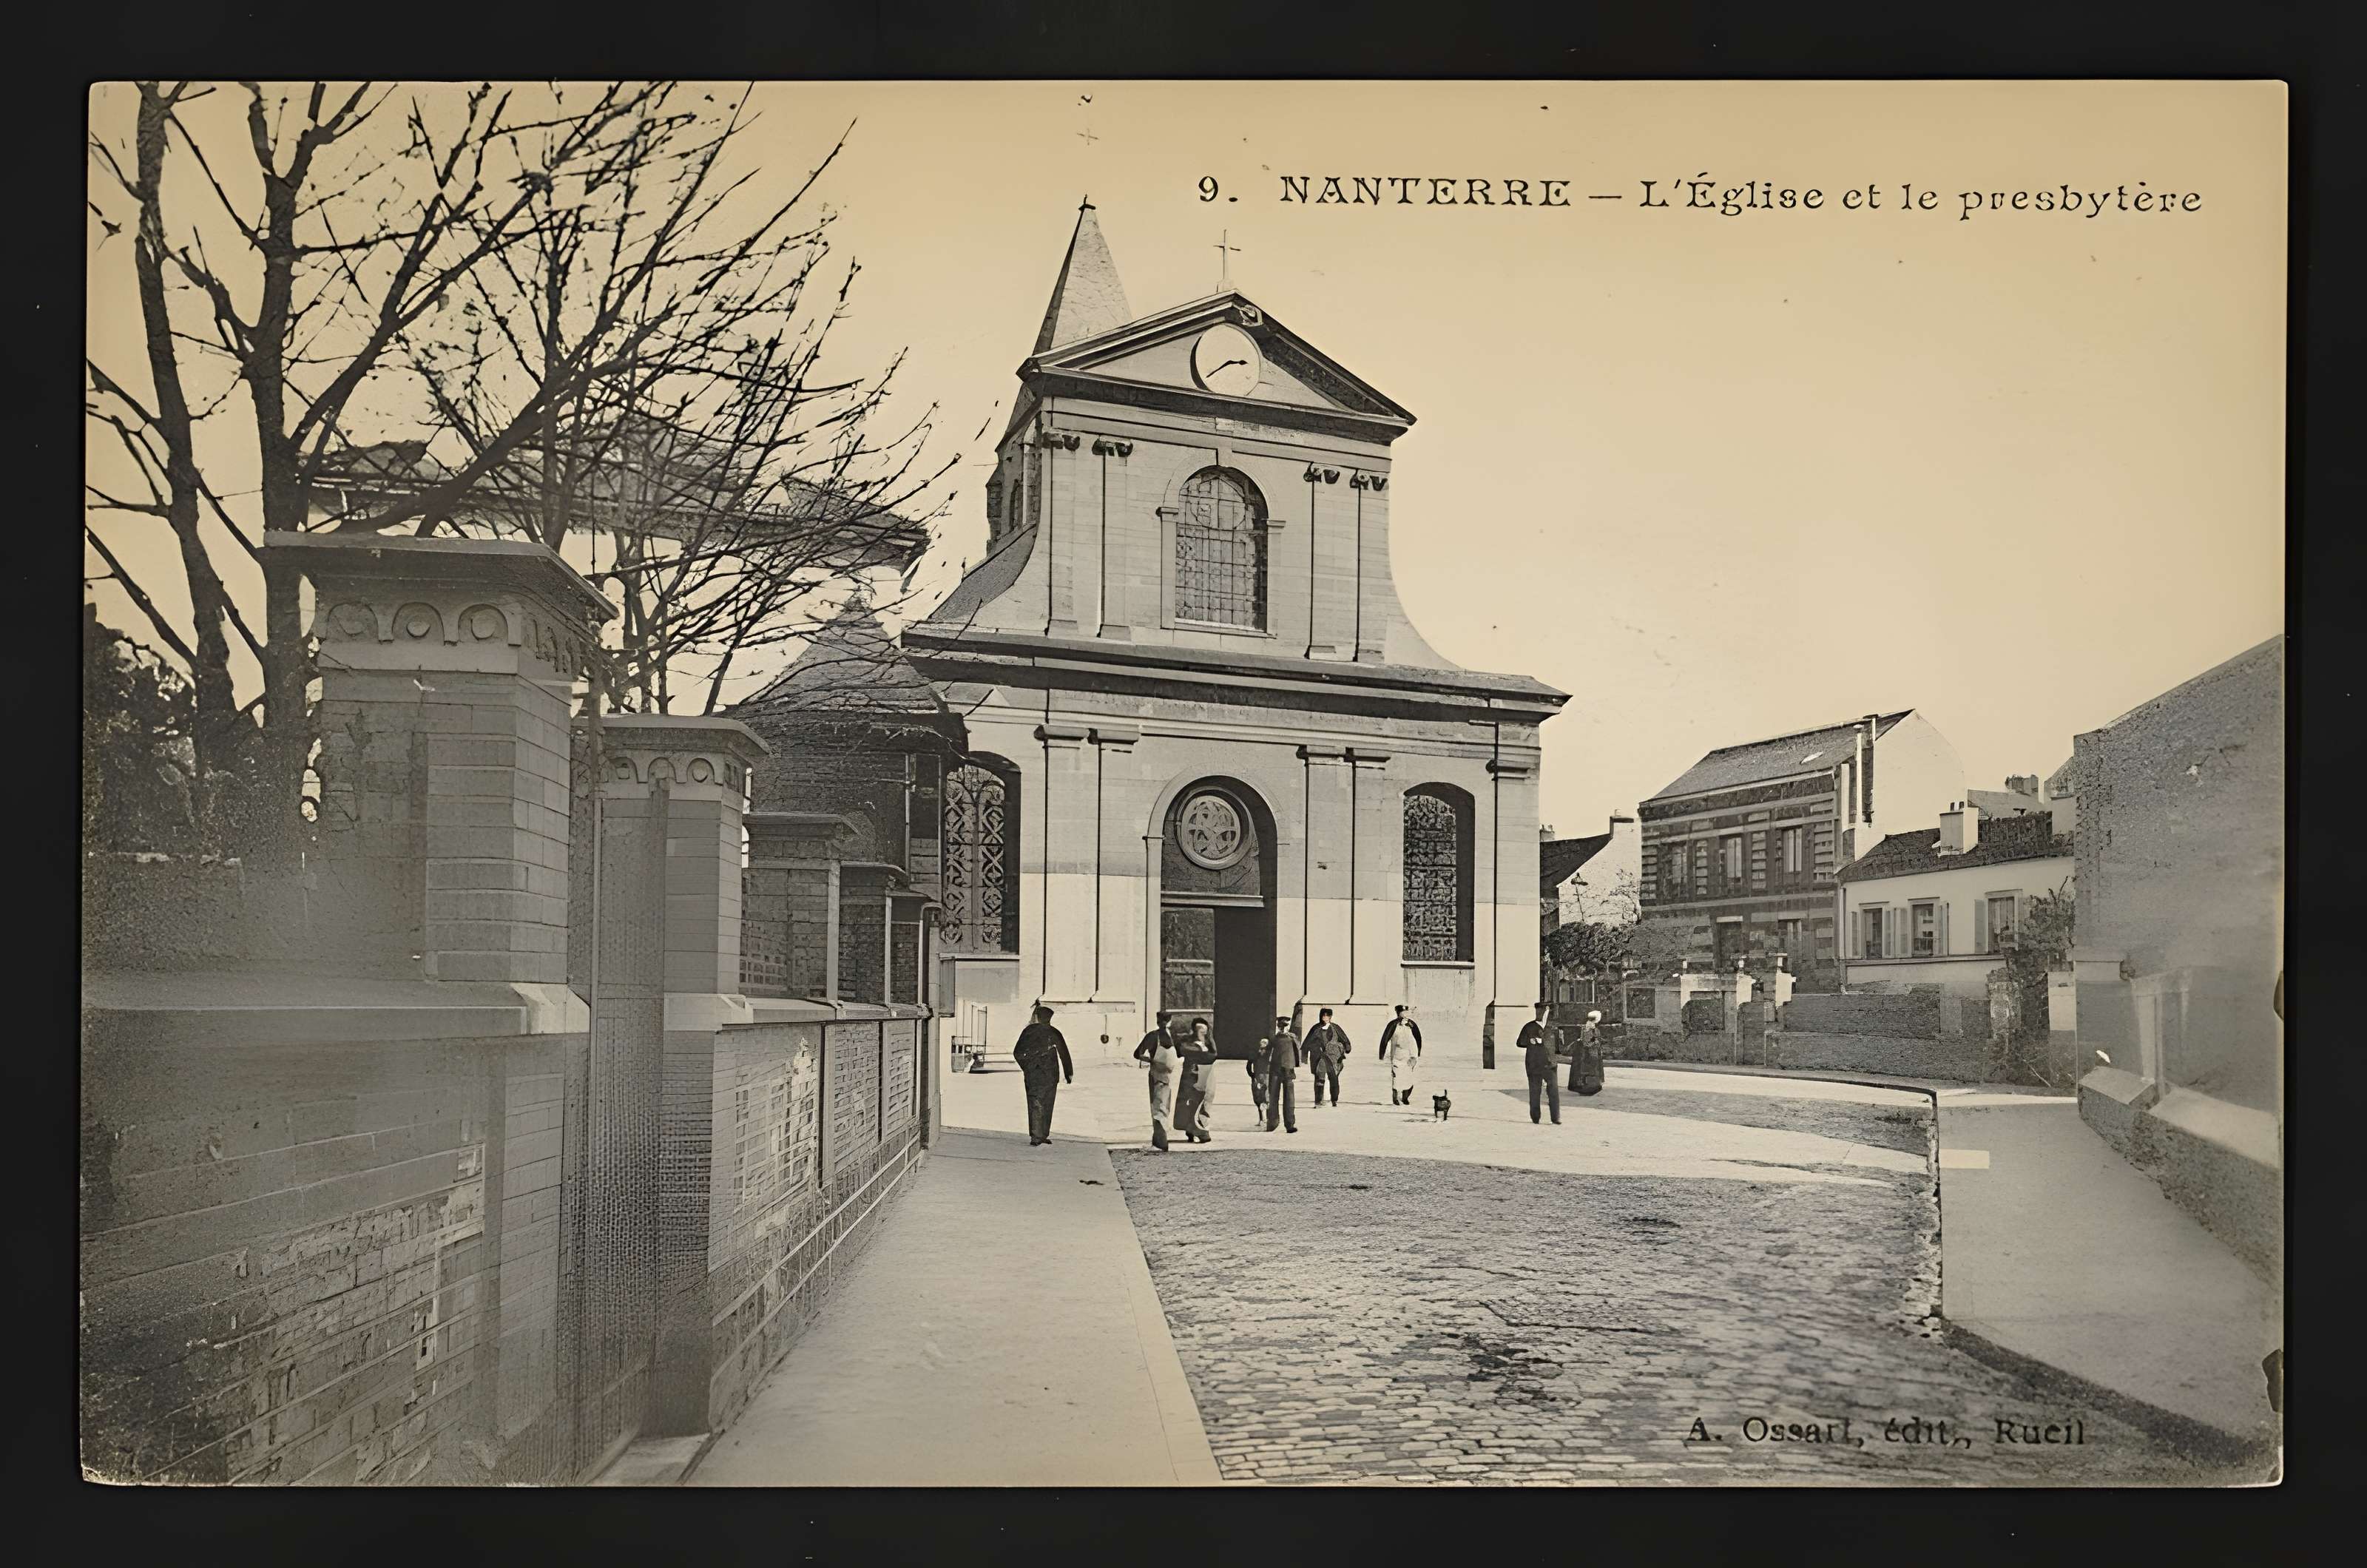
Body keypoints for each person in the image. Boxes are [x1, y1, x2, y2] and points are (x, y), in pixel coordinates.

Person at [1013, 1004, 1074, 1146]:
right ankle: (1038, 1135)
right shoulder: (1054, 1033)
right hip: (1048, 1075)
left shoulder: (1029, 1031)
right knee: (1046, 1104)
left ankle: (1040, 1135)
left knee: (1037, 1103)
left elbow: (1017, 1053)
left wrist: (1027, 1067)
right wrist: (1068, 1073)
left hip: (1038, 1075)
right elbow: (1064, 1055)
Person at [1133, 1010, 1183, 1152]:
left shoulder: (1159, 1036)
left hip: (1165, 1076)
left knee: (1160, 1107)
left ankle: (1159, 1141)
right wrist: (1153, 1061)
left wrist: (1150, 1060)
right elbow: (1138, 1054)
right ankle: (1161, 1141)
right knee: (1161, 1108)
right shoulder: (1167, 1037)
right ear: (1170, 1022)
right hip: (1161, 1075)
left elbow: (1138, 1054)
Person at [1173, 1018, 1219, 1142]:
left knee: (1205, 1100)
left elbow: (1213, 1056)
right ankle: (1196, 1130)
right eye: (1199, 1030)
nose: (1202, 1032)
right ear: (1193, 1030)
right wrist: (1200, 1051)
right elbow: (1181, 1051)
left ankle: (1197, 1127)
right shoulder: (1188, 1042)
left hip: (1206, 1073)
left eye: (1205, 1030)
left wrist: (1201, 1051)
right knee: (1191, 1101)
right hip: (1191, 1074)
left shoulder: (1208, 1042)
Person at [1258, 1014, 1302, 1133]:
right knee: (1273, 1097)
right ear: (1278, 1026)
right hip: (1275, 1070)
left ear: (1288, 1027)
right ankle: (1272, 1123)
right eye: (1281, 1026)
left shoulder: (1292, 1038)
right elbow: (1265, 1052)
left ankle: (1290, 1124)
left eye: (1285, 1026)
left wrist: (1296, 1065)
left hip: (1288, 1070)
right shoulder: (1273, 1038)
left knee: (1289, 1099)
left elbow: (1298, 1050)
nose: (1283, 1028)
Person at [1519, 1001, 1560, 1125]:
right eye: (1541, 1011)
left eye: (1546, 1011)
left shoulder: (1552, 1028)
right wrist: (1530, 1041)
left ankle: (1555, 1118)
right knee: (1535, 1091)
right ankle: (1535, 1117)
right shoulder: (1529, 1027)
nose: (1543, 1014)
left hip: (1550, 1064)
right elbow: (1520, 1042)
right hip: (1534, 1065)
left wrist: (1543, 1042)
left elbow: (1558, 1047)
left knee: (1553, 1092)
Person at [1304, 1007, 1352, 1106]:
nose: (1325, 1018)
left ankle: (1334, 1100)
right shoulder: (1316, 1028)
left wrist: (1347, 1047)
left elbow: (1345, 1039)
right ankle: (1318, 1100)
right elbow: (1307, 1043)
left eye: (1327, 1016)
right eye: (1323, 1016)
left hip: (1334, 1057)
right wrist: (1315, 1049)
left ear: (1330, 1017)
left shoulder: (1336, 1028)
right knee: (1319, 1078)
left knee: (1334, 1078)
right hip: (1320, 1057)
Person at [1379, 1004, 1422, 1105]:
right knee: (1397, 1076)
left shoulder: (1411, 1025)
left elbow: (1417, 1038)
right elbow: (1385, 1038)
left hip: (1409, 1055)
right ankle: (1396, 1098)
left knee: (1408, 1077)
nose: (1403, 1014)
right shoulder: (1393, 1024)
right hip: (1397, 1055)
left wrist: (1417, 1053)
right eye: (1401, 1012)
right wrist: (1382, 1053)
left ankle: (1405, 1097)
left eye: (1405, 1012)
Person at [1567, 1009, 1605, 1095]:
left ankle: (1585, 1087)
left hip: (1584, 1052)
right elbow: (1595, 1042)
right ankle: (1590, 1088)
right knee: (1591, 1070)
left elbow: (1586, 1041)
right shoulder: (1593, 1030)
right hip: (1591, 1053)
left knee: (1585, 1070)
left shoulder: (1585, 1029)